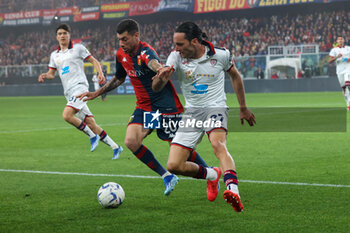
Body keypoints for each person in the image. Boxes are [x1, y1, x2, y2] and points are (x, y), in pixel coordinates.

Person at [77, 19, 209, 196]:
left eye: (125, 39)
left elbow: (152, 62)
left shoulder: (145, 51)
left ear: (136, 36)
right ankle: (167, 176)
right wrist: (96, 93)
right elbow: (119, 78)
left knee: (181, 149)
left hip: (166, 108)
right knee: (131, 142)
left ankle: (209, 173)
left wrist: (160, 69)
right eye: (119, 40)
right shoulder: (120, 55)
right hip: (145, 108)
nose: (121, 43)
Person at [153, 22, 256, 212]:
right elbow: (156, 88)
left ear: (194, 41)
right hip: (192, 113)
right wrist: (162, 77)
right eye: (175, 44)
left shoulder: (221, 55)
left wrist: (243, 108)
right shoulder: (175, 57)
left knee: (218, 145)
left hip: (215, 108)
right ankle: (212, 174)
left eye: (180, 44)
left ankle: (233, 190)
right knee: (174, 165)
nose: (176, 48)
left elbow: (235, 77)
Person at [38, 23, 123, 159]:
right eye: (59, 34)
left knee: (67, 115)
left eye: (65, 33)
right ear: (56, 37)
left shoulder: (78, 48)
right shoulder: (54, 55)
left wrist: (100, 73)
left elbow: (93, 60)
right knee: (91, 124)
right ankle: (116, 147)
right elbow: (52, 74)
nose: (62, 36)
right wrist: (44, 76)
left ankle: (92, 136)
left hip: (80, 87)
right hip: (68, 93)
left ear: (69, 35)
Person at [328, 36, 350, 111]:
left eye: (342, 39)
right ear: (337, 41)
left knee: (348, 84)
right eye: (339, 40)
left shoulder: (348, 48)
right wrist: (337, 56)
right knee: (344, 88)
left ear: (344, 40)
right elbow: (329, 61)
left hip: (348, 68)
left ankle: (349, 103)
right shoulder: (334, 50)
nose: (340, 41)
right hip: (340, 70)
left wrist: (348, 59)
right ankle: (347, 102)